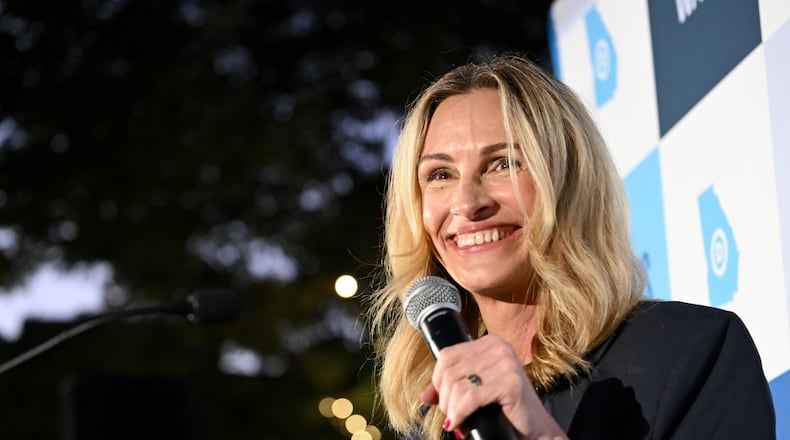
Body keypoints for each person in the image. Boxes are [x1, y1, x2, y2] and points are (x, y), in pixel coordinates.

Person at [364, 53, 776, 440]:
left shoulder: (694, 352)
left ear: (569, 180)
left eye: (503, 163)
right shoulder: (431, 421)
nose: (468, 203)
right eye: (440, 174)